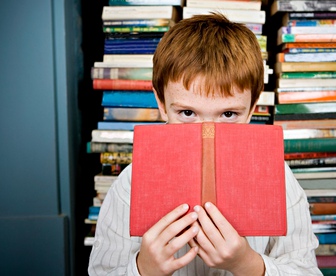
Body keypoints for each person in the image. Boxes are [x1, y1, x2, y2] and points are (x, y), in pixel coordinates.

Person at [88, 13, 322, 276]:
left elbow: (307, 271)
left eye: (228, 114)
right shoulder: (130, 185)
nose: (206, 133)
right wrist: (144, 269)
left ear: (252, 108)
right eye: (188, 113)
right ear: (162, 104)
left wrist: (247, 264)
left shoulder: (279, 179)